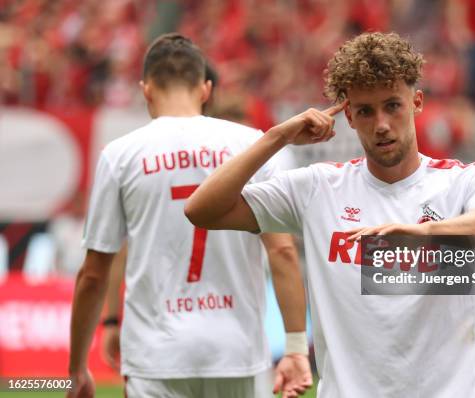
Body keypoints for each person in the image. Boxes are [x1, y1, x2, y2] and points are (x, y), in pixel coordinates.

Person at [185, 32, 475, 397]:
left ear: (417, 102)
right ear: (349, 116)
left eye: (393, 105)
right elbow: (202, 209)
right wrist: (276, 137)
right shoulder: (318, 188)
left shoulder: (464, 180)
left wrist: (422, 233)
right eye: (365, 111)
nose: (381, 124)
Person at [68, 33, 311, 398]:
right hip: (237, 352)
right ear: (206, 88)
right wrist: (294, 346)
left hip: (155, 354)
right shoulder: (253, 144)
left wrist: (78, 366)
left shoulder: (119, 155)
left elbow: (94, 271)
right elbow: (283, 251)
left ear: (146, 89)